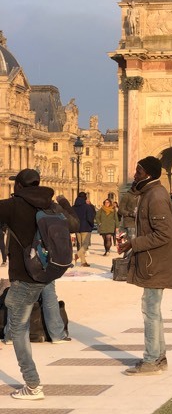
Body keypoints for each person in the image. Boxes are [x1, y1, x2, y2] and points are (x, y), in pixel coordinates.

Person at [0, 169, 77, 399]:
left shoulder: (13, 206)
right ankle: (55, 334)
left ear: (20, 186)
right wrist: (64, 202)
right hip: (46, 270)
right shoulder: (50, 204)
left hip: (24, 275)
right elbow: (74, 224)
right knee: (23, 317)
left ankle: (32, 385)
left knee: (18, 327)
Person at [117, 156, 172, 375]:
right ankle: (159, 357)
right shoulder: (152, 193)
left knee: (150, 310)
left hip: (156, 262)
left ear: (148, 173)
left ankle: (151, 360)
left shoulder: (154, 196)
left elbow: (163, 233)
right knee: (153, 310)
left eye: (138, 170)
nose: (134, 174)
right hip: (155, 260)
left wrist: (132, 243)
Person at [73, 191, 95, 266]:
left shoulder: (73, 207)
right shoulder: (87, 207)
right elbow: (90, 218)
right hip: (86, 227)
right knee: (85, 245)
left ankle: (83, 262)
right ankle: (77, 255)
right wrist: (91, 225)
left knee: (80, 245)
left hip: (77, 228)